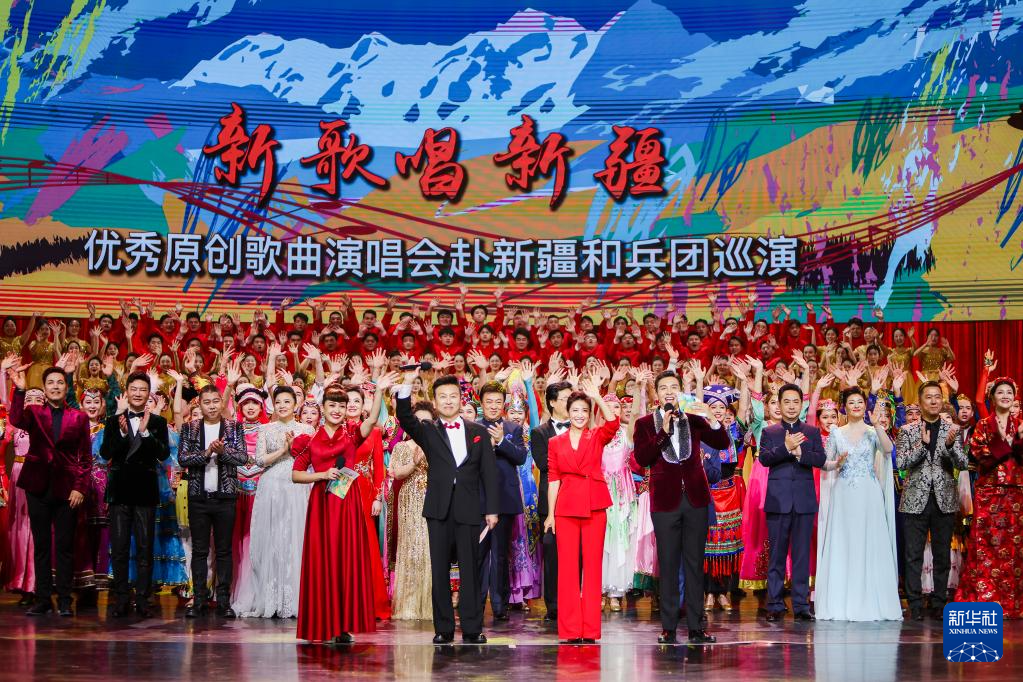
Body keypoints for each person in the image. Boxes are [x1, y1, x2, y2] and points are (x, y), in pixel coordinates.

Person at [291, 375, 398, 643]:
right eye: (332, 406)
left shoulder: (351, 434)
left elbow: (371, 423)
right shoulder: (310, 439)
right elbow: (296, 474)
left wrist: (379, 391)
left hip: (347, 503)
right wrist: (321, 475)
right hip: (322, 505)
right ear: (323, 408)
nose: (338, 410)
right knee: (323, 561)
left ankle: (343, 627)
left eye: (342, 405)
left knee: (345, 561)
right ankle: (322, 626)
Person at [394, 373, 499, 645]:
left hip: (469, 508)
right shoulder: (428, 430)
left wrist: (492, 510)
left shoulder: (477, 432)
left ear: (461, 398)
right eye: (443, 397)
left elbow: (489, 473)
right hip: (438, 509)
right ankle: (443, 628)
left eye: (453, 396)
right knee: (439, 570)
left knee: (470, 569)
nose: (449, 401)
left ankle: (473, 628)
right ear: (435, 401)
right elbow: (404, 417)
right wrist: (407, 384)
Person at [633, 370, 729, 645]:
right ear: (656, 393)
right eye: (663, 387)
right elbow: (643, 457)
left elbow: (721, 442)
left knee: (695, 564)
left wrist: (712, 419)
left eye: (674, 387)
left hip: (695, 500)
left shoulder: (694, 419)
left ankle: (697, 627)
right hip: (665, 503)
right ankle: (669, 628)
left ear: (680, 391)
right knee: (668, 564)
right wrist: (663, 431)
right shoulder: (645, 424)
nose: (669, 391)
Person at [8, 364, 93, 616]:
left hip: (67, 489)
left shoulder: (79, 417)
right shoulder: (34, 412)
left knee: (65, 546)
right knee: (42, 545)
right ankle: (43, 599)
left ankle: (65, 600)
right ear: (45, 389)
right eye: (51, 383)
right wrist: (20, 390)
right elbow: (15, 419)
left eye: (60, 382)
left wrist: (80, 488)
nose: (55, 387)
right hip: (37, 486)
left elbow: (85, 458)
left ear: (67, 387)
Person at [815, 387, 902, 621]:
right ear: (844, 407)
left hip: (868, 493)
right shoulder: (836, 432)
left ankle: (870, 600)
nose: (856, 405)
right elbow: (825, 463)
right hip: (843, 493)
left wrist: (879, 426)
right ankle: (841, 602)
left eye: (860, 402)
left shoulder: (873, 432)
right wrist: (836, 464)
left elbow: (888, 450)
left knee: (868, 542)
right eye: (851, 402)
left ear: (865, 406)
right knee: (845, 542)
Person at [543, 378, 618, 643]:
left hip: (595, 505)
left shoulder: (596, 436)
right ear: (567, 412)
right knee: (567, 569)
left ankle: (590, 630)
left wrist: (597, 398)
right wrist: (550, 515)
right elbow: (553, 479)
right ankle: (571, 630)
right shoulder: (555, 442)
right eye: (575, 410)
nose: (579, 415)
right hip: (565, 507)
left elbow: (613, 424)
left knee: (593, 568)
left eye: (584, 411)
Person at [232, 386, 313, 618]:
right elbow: (260, 460)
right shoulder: (266, 429)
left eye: (287, 401)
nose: (283, 406)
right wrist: (284, 450)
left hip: (297, 484)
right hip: (271, 486)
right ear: (273, 405)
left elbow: (310, 459)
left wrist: (295, 452)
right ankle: (270, 598)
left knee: (295, 537)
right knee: (272, 538)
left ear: (296, 404)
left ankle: (295, 598)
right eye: (278, 402)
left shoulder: (307, 429)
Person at [99, 372, 171, 617]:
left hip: (145, 491)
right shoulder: (113, 420)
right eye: (134, 389)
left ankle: (142, 599)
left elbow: (163, 454)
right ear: (127, 392)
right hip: (119, 492)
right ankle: (120, 599)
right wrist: (121, 434)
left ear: (148, 393)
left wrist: (145, 433)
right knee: (119, 549)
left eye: (143, 390)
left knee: (144, 548)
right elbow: (105, 453)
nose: (138, 393)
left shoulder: (158, 422)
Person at [895, 381, 968, 621]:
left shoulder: (953, 429)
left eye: (937, 396)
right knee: (913, 554)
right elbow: (901, 463)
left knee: (941, 554)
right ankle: (915, 603)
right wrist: (922, 445)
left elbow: (962, 463)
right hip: (915, 499)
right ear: (921, 400)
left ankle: (939, 602)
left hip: (944, 499)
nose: (934, 401)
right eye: (929, 397)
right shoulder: (908, 430)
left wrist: (950, 446)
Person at [177, 384, 249, 618]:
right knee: (199, 550)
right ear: (199, 404)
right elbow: (183, 458)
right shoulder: (190, 428)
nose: (211, 406)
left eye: (215, 401)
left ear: (221, 402)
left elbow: (242, 457)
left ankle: (223, 602)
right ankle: (199, 599)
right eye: (206, 402)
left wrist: (223, 451)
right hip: (198, 497)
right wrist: (207, 453)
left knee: (224, 550)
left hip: (225, 497)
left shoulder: (233, 427)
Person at [759, 383, 827, 623]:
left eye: (795, 402)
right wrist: (786, 448)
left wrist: (801, 454)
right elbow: (764, 459)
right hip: (778, 502)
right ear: (779, 404)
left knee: (801, 556)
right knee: (776, 556)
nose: (791, 406)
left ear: (802, 404)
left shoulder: (812, 431)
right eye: (786, 402)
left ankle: (801, 605)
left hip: (804, 501)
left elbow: (820, 459)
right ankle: (775, 604)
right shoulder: (770, 432)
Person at [956, 376, 1023, 618]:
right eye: (1000, 392)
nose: (1005, 396)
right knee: (986, 545)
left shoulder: (1021, 424)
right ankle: (987, 597)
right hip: (989, 491)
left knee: (1015, 547)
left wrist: (1020, 440)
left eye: (1009, 392)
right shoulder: (983, 425)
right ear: (992, 397)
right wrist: (1009, 442)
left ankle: (1014, 600)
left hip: (1016, 491)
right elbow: (979, 455)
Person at [476, 380, 527, 622]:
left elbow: (521, 457)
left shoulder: (512, 428)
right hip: (478, 498)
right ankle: (475, 603)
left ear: (504, 404)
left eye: (498, 402)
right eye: (489, 402)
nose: (494, 406)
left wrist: (501, 441)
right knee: (477, 553)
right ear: (482, 403)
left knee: (499, 554)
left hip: (504, 500)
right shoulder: (473, 428)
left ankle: (499, 605)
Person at [388, 401, 436, 621]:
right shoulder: (402, 447)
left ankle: (429, 605)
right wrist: (414, 464)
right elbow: (396, 473)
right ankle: (408, 605)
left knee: (430, 550)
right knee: (412, 550)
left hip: (432, 500)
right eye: (419, 421)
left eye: (427, 422)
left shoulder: (437, 444)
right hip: (409, 501)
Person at [530, 380, 573, 623]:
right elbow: (544, 464)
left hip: (577, 499)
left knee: (576, 556)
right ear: (553, 402)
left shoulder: (581, 429)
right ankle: (554, 606)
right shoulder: (539, 433)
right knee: (552, 555)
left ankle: (574, 602)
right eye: (565, 399)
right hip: (551, 504)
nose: (569, 403)